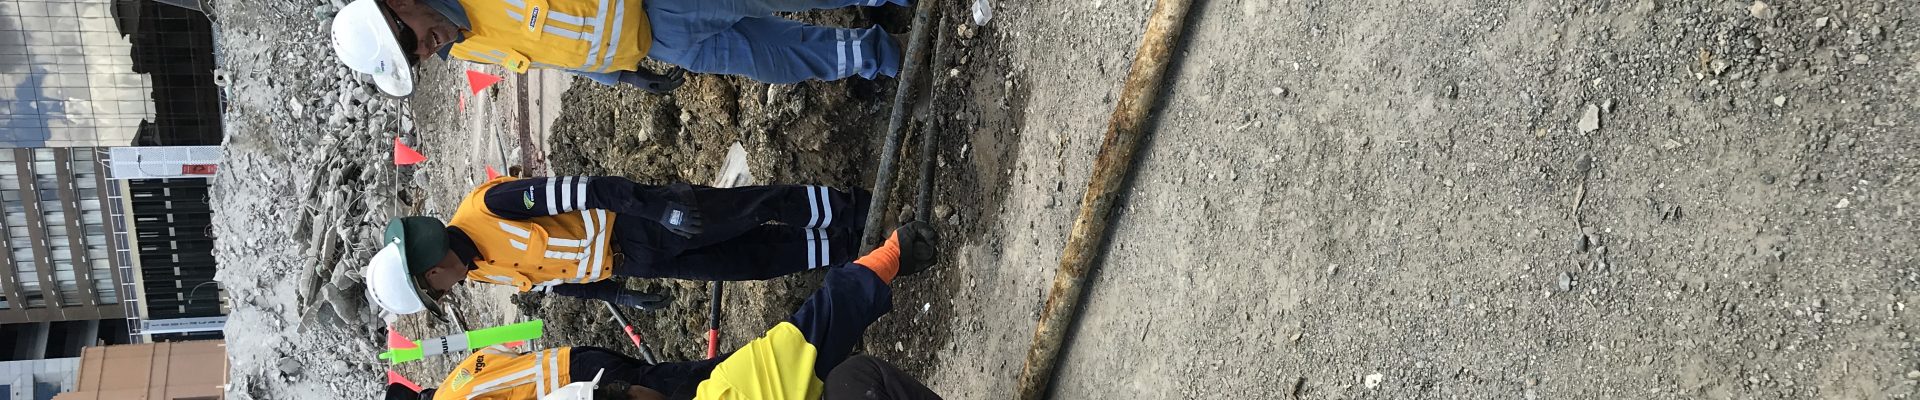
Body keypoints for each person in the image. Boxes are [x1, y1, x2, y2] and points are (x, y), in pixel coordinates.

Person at [384, 223, 944, 400]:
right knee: (846, 376)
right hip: (587, 370)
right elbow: (807, 337)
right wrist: (888, 257)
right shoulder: (461, 373)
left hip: (587, 377)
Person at [363, 175, 869, 316]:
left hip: (634, 223)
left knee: (753, 208)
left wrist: (658, 208)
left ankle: (851, 211)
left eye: (436, 291)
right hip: (635, 261)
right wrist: (618, 295)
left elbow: (587, 190)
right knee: (749, 261)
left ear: (432, 271)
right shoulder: (479, 270)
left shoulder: (491, 206)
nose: (447, 293)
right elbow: (553, 284)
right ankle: (844, 247)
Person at [328, 0, 905, 96]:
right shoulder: (464, 49)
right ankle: (882, 55)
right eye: (415, 60)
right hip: (657, 44)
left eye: (411, 42)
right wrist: (620, 76)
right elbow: (547, 52)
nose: (425, 52)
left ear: (398, 3)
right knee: (778, 60)